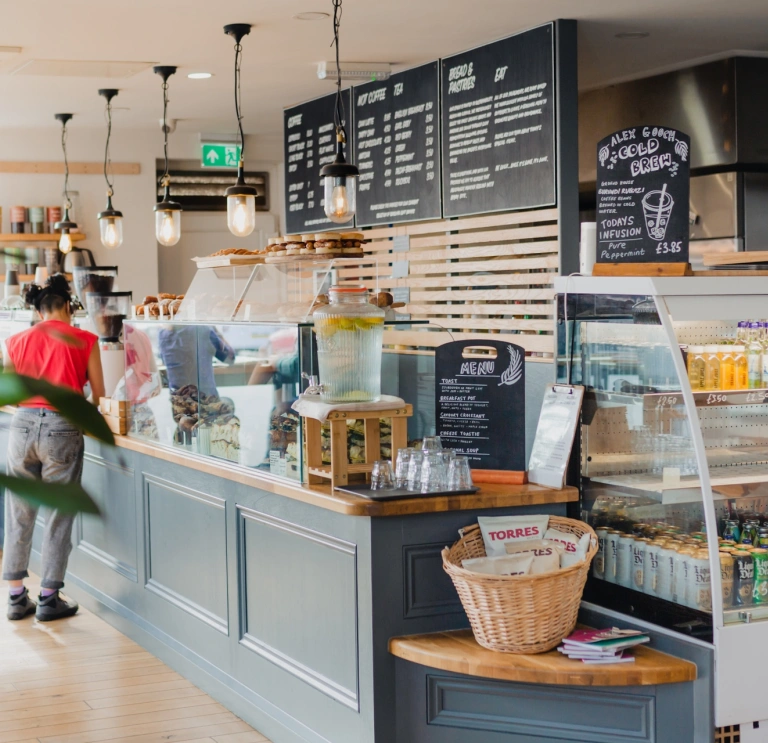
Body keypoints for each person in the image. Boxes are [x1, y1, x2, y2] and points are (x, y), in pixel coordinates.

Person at [2, 274, 105, 621]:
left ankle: (16, 598)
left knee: (20, 511)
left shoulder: (14, 340)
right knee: (59, 514)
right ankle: (49, 598)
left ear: (39, 308)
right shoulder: (85, 339)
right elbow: (99, 396)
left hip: (21, 426)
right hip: (62, 427)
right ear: (67, 305)